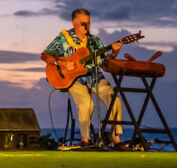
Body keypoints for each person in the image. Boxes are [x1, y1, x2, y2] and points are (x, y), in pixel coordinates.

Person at [41, 8, 125, 148]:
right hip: (75, 81)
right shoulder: (63, 38)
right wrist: (61, 62)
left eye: (88, 23)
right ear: (74, 22)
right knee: (87, 104)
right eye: (82, 23)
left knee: (115, 100)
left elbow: (105, 63)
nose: (86, 26)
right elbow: (45, 55)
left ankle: (116, 139)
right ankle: (85, 140)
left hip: (95, 78)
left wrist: (115, 53)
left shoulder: (94, 41)